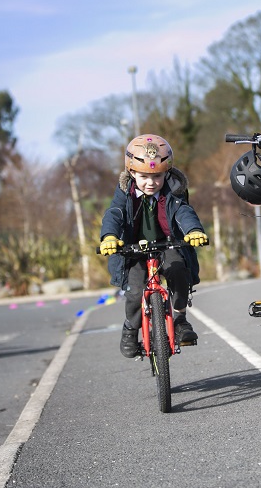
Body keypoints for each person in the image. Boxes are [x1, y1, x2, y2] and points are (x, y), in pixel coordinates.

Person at [99, 134, 208, 358]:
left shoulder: (173, 191)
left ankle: (179, 318)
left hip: (168, 244)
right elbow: (115, 214)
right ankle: (131, 328)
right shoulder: (125, 193)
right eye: (144, 176)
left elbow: (183, 212)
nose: (151, 183)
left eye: (157, 176)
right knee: (135, 291)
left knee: (178, 270)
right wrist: (109, 236)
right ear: (131, 173)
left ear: (166, 172)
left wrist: (194, 231)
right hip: (134, 250)